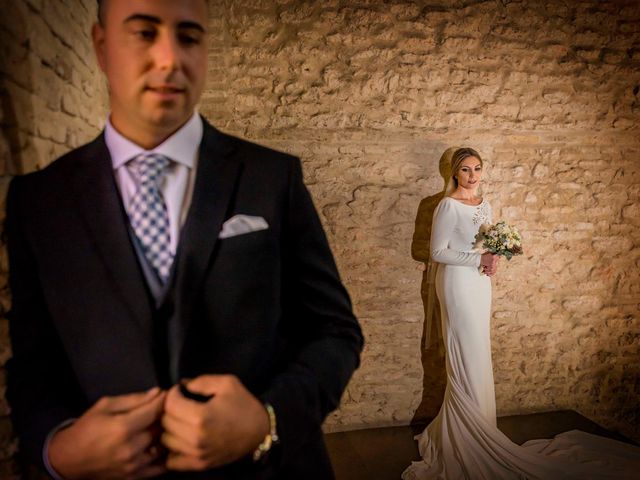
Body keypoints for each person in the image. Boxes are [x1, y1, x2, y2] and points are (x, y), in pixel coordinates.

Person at [5, 0, 363, 478]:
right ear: (101, 45)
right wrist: (57, 451)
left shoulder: (272, 177)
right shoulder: (39, 200)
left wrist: (266, 417)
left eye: (189, 37)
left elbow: (335, 333)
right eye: (144, 33)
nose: (170, 58)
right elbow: (32, 362)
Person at [402, 148, 640, 479]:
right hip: (457, 284)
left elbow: (485, 240)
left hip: (480, 284)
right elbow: (437, 252)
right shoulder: (447, 204)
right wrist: (477, 260)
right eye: (466, 170)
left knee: (480, 353)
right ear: (455, 173)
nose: (473, 175)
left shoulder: (484, 203)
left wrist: (496, 252)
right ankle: (463, 437)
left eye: (477, 169)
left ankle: (480, 428)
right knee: (465, 353)